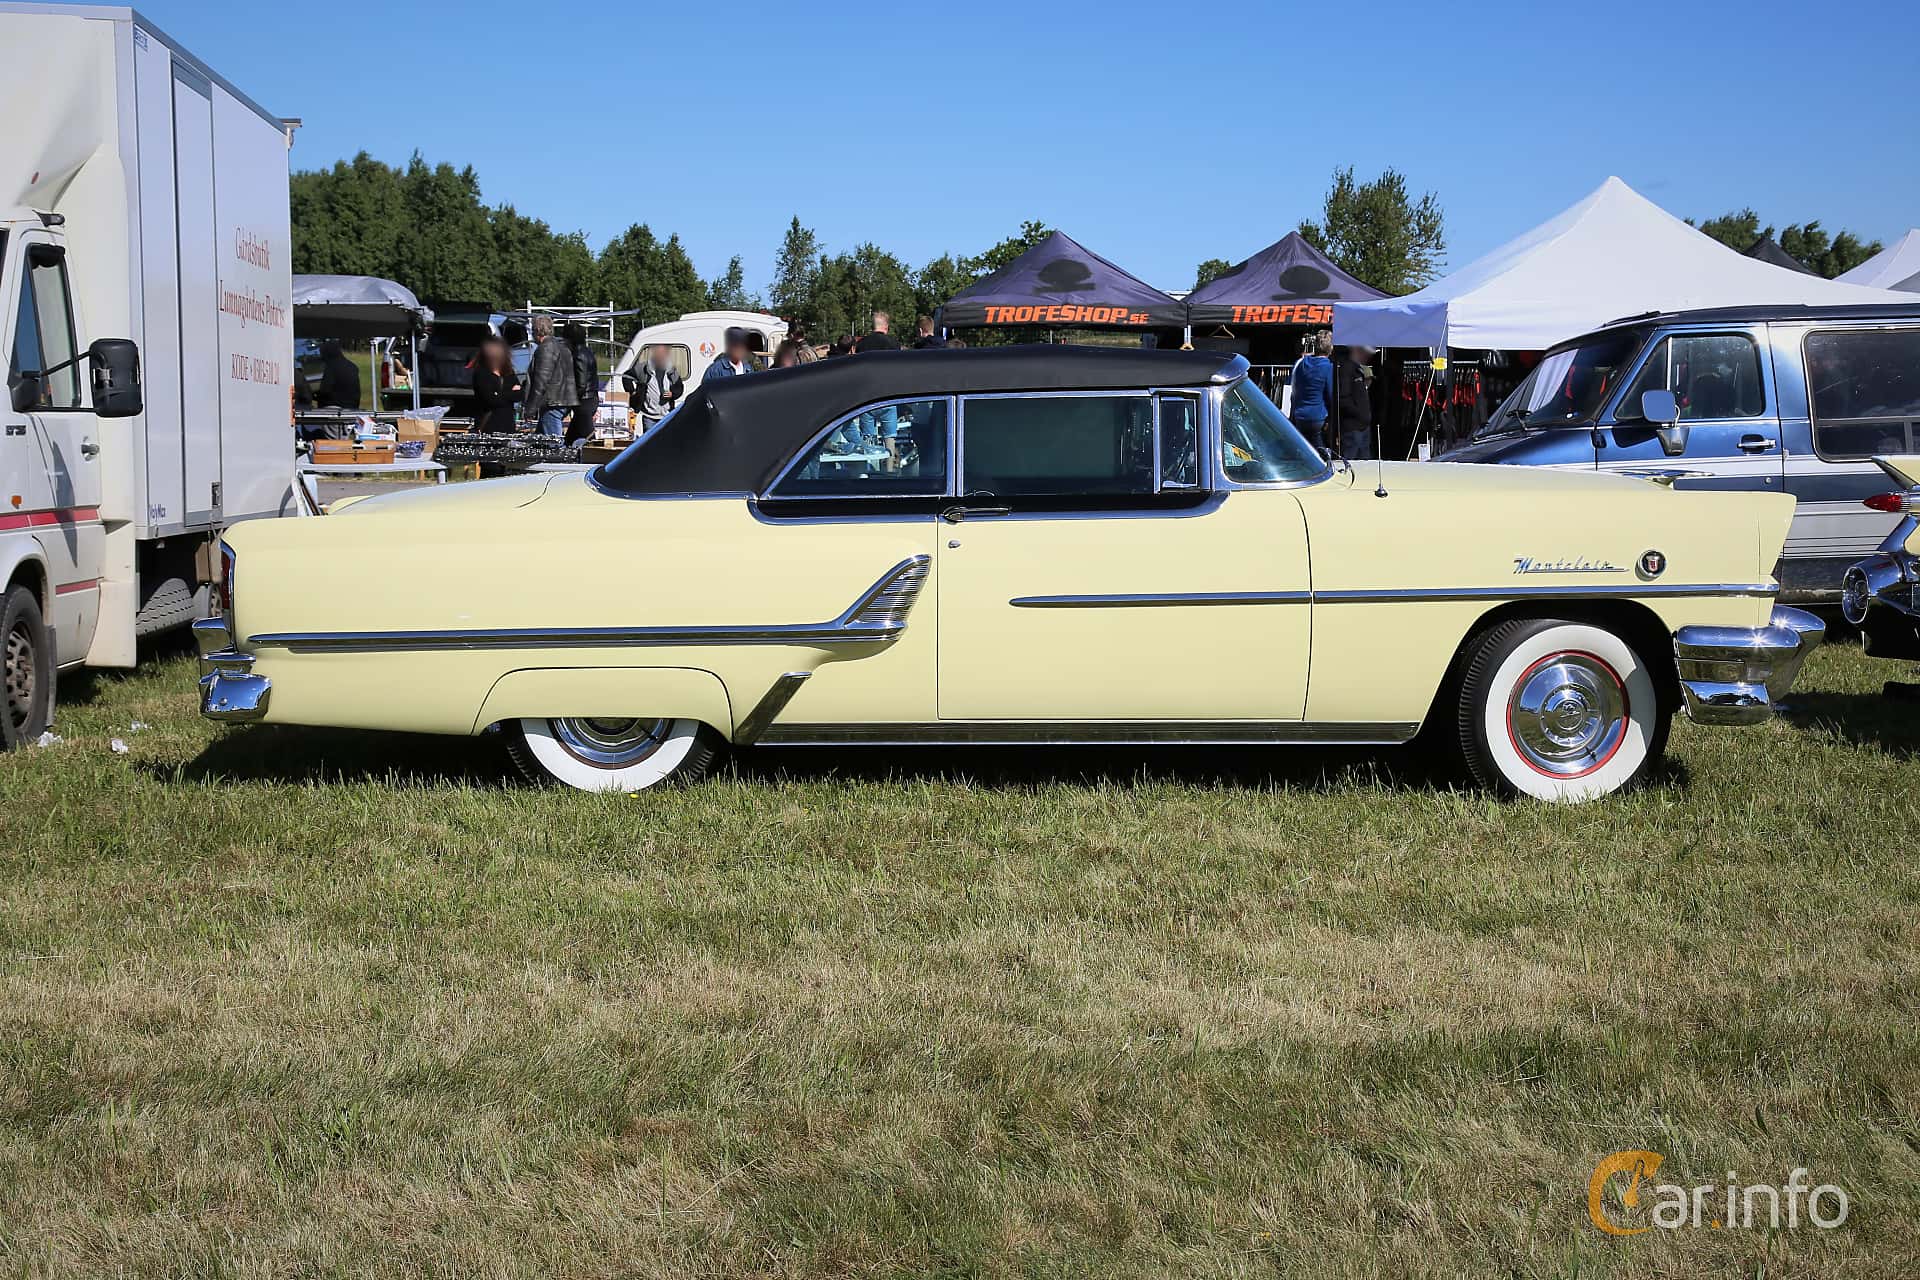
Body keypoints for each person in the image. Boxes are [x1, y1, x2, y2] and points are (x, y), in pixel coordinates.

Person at [521, 315, 577, 437]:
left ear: (537, 331)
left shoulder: (545, 348)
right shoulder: (562, 347)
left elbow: (541, 382)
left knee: (554, 444)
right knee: (540, 441)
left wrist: (530, 409)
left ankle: (563, 457)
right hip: (563, 400)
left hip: (552, 403)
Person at [1288, 331, 1335, 450]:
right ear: (1331, 348)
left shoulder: (1300, 364)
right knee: (1320, 453)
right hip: (1317, 417)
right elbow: (1330, 395)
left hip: (1299, 415)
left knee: (1303, 451)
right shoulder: (1328, 367)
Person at [623, 346, 684, 432]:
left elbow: (679, 387)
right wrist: (632, 392)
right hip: (649, 416)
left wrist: (673, 394)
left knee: (666, 441)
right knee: (649, 442)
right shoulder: (643, 368)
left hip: (667, 415)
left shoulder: (671, 370)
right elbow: (626, 376)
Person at [470, 336, 522, 432]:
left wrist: (500, 394)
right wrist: (510, 393)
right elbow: (490, 399)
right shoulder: (481, 373)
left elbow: (520, 395)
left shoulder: (508, 372)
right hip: (488, 425)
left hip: (508, 425)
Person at [1335, 344, 1374, 461]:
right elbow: (1343, 398)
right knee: (1351, 463)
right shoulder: (1346, 369)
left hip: (1362, 428)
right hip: (1353, 429)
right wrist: (1359, 414)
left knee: (1365, 465)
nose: (1368, 356)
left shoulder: (1358, 369)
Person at [565, 322, 599, 445]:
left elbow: (581, 384)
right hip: (589, 399)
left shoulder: (579, 355)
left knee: (589, 440)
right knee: (570, 438)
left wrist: (568, 401)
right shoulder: (587, 352)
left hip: (584, 402)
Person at [314, 339, 361, 410]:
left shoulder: (331, 367)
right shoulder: (352, 366)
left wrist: (314, 394)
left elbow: (325, 390)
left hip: (336, 407)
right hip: (352, 406)